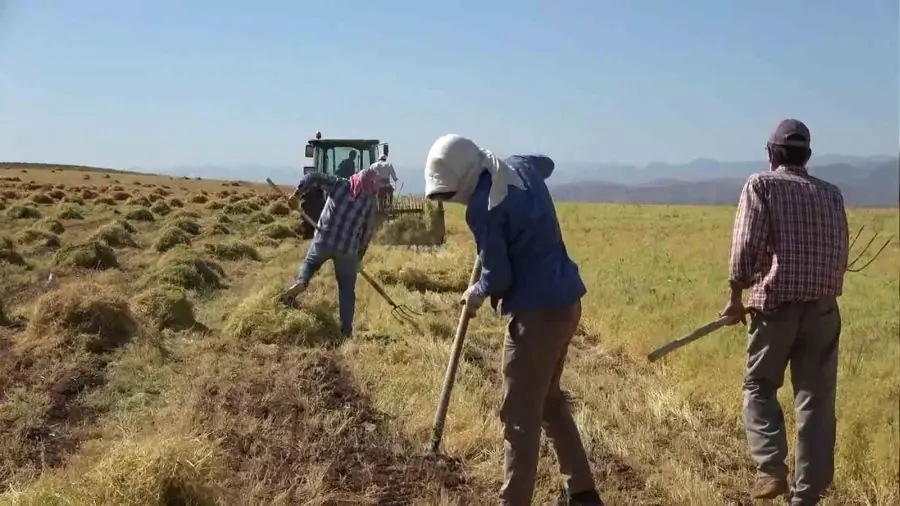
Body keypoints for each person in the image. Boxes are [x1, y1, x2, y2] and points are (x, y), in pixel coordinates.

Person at [424, 134, 603, 506]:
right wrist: (510, 166)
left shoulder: (483, 208)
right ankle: (582, 493)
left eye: (449, 192)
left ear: (463, 176)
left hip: (536, 318)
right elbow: (546, 163)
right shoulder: (520, 168)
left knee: (519, 416)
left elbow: (499, 276)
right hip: (567, 302)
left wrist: (475, 293)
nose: (451, 199)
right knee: (550, 402)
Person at [720, 119, 849, 505]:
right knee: (816, 401)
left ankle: (771, 469)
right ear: (806, 156)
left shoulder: (761, 185)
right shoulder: (832, 194)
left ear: (772, 154)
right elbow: (841, 251)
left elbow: (745, 245)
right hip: (824, 310)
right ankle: (807, 495)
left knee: (759, 386)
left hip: (775, 309)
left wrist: (734, 296)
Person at [282, 168, 381, 337]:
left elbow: (313, 177)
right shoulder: (369, 202)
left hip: (324, 239)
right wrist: (358, 257)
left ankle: (302, 280)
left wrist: (298, 194)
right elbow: (367, 232)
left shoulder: (339, 185)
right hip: (347, 249)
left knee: (311, 263)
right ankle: (345, 331)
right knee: (346, 289)